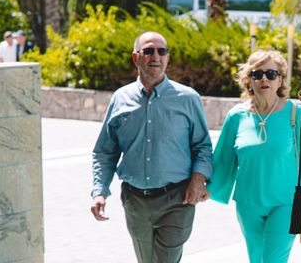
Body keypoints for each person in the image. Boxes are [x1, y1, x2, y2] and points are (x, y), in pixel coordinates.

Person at [90, 31, 213, 263]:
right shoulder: (120, 98)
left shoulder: (187, 98)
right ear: (136, 58)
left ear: (167, 57)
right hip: (135, 201)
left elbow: (203, 146)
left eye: (161, 51)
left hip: (177, 198)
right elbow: (105, 151)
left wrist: (199, 179)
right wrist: (99, 191)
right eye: (148, 51)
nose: (155, 56)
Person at [208, 50, 301, 263]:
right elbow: (223, 160)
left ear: (280, 79)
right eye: (257, 74)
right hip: (247, 203)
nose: (264, 79)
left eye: (271, 74)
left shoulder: (295, 114)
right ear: (248, 79)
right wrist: (201, 184)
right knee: (256, 259)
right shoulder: (236, 116)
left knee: (273, 260)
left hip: (286, 202)